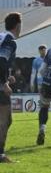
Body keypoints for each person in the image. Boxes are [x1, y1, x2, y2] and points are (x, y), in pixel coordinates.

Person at [0, 12, 21, 163]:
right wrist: (4, 83)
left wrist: (7, 76)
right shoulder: (10, 41)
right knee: (6, 120)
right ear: (18, 25)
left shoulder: (1, 37)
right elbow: (1, 60)